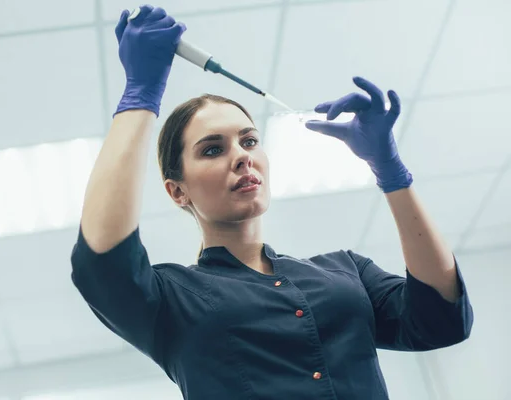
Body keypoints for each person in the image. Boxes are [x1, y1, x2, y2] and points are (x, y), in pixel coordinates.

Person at [70, 5, 473, 400]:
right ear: (178, 191)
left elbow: (440, 316)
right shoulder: (171, 298)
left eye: (248, 140)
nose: (242, 155)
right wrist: (140, 94)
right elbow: (102, 258)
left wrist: (391, 173)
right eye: (212, 150)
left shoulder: (345, 271)